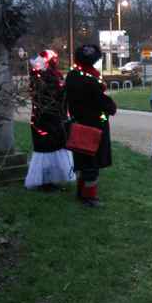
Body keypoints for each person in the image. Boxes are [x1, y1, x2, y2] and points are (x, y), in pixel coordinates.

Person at [65, 44, 117, 207]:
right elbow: (108, 106)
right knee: (91, 163)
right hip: (94, 126)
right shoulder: (91, 82)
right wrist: (111, 106)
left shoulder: (72, 76)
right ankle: (89, 197)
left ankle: (81, 193)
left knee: (83, 159)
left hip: (78, 124)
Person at [24, 50, 76, 192]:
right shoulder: (46, 80)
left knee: (52, 149)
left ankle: (48, 180)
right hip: (48, 121)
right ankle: (45, 182)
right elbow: (56, 97)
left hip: (47, 120)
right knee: (47, 150)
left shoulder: (41, 79)